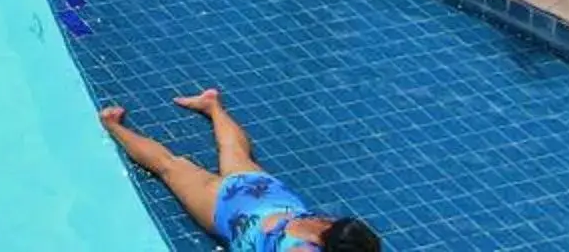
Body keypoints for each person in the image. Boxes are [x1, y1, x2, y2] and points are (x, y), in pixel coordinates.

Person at [101, 92, 381, 252]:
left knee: (235, 152)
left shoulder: (329, 222)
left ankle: (212, 104)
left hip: (267, 193)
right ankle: (112, 125)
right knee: (169, 166)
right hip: (228, 209)